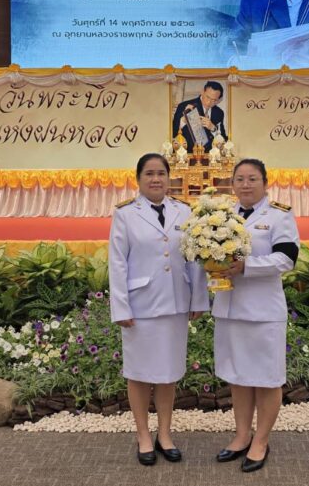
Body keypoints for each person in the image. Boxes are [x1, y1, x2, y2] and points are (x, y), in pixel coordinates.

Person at [109, 153, 209, 466]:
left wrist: (198, 298)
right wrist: (120, 307)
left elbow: (194, 258)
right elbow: (117, 262)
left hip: (176, 301)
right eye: (149, 174)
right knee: (139, 373)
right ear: (138, 179)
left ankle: (164, 434)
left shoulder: (183, 210)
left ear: (169, 177)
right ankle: (143, 435)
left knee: (168, 373)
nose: (156, 179)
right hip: (140, 306)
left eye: (161, 173)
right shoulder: (125, 214)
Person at [213, 158, 300, 473]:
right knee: (238, 376)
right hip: (230, 306)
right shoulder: (222, 215)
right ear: (233, 183)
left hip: (263, 311)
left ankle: (260, 441)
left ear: (265, 182)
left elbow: (287, 259)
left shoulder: (279, 215)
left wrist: (248, 266)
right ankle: (241, 436)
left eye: (252, 179)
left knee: (266, 378)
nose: (245, 184)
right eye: (239, 179)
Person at [171, 81, 227, 151]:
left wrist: (213, 129)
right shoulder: (183, 106)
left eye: (214, 100)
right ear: (202, 92)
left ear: (218, 100)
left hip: (209, 155)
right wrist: (183, 121)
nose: (209, 102)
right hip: (187, 154)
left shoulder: (219, 113)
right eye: (207, 97)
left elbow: (223, 140)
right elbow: (173, 133)